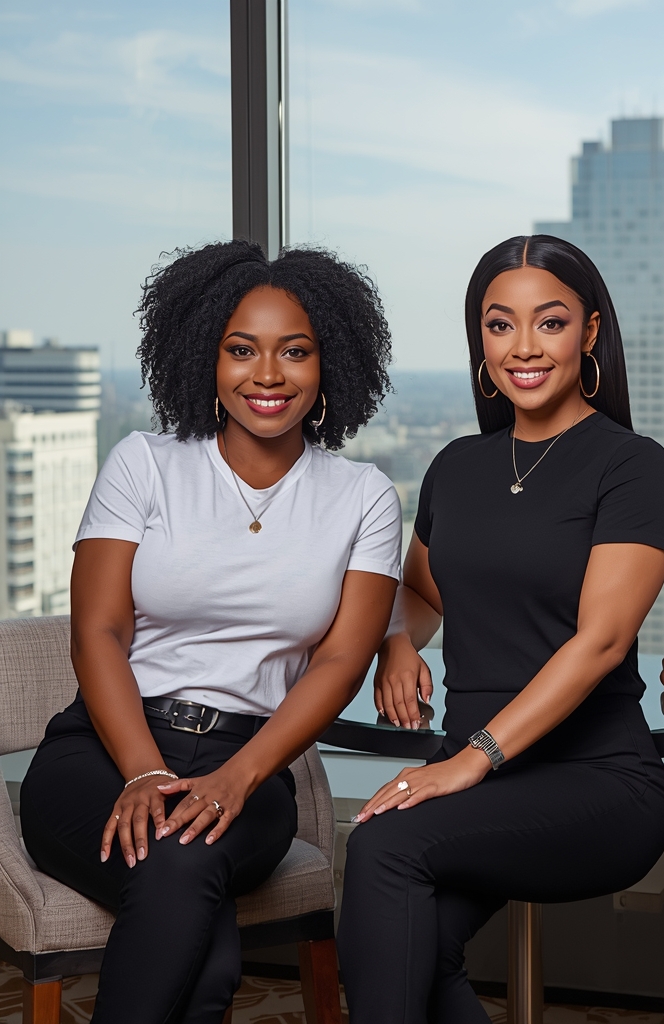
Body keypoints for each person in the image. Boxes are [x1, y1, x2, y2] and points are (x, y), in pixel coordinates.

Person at [19, 240, 402, 1024]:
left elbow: (340, 659)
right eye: (241, 350)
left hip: (254, 769)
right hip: (102, 752)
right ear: (204, 356)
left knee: (179, 877)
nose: (267, 375)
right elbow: (96, 630)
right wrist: (142, 775)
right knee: (198, 927)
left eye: (295, 352)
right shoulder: (144, 464)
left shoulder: (363, 496)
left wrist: (240, 778)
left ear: (330, 363)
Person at [337, 234, 664, 1024]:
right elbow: (418, 591)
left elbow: (599, 643)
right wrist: (396, 639)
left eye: (549, 322)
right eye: (499, 325)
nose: (522, 347)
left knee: (381, 850)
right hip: (479, 779)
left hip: (596, 780)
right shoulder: (457, 466)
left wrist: (473, 759)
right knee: (407, 947)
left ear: (590, 332)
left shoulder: (632, 465)